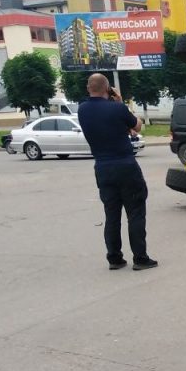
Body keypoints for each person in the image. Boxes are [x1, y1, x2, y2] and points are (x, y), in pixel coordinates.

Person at [77, 73, 156, 270]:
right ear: (108, 88)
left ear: (89, 88)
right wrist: (121, 102)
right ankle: (140, 258)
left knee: (111, 215)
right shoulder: (118, 108)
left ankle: (114, 258)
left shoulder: (83, 110)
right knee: (135, 213)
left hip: (103, 168)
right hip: (126, 166)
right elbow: (137, 126)